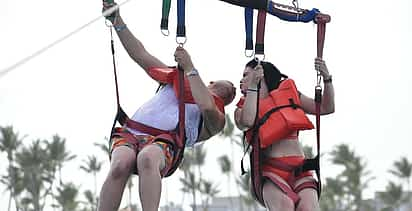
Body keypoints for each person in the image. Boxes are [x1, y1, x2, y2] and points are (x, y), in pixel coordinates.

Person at [99, 2, 236, 211]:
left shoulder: (216, 119)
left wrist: (189, 67)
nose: (233, 88)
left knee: (147, 158)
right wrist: (117, 20)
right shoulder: (173, 80)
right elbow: (140, 55)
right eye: (229, 84)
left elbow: (207, 107)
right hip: (131, 132)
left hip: (165, 143)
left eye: (233, 93)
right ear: (211, 82)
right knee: (120, 165)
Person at [234, 58, 334, 211]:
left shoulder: (289, 95)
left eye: (246, 75)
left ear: (261, 74)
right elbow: (247, 121)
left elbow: (326, 108)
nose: (241, 80)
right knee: (284, 207)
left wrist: (327, 79)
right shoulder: (241, 109)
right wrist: (254, 85)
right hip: (271, 173)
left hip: (300, 169)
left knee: (308, 208)